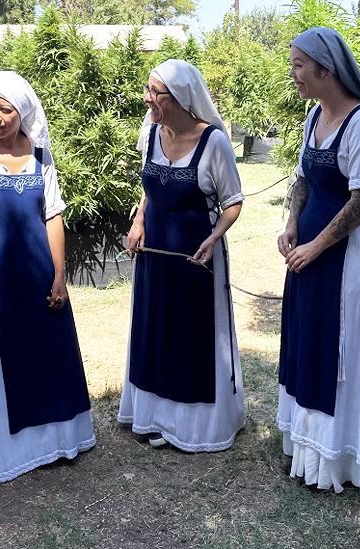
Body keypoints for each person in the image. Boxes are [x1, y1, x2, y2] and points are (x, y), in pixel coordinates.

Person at [0, 71, 95, 484]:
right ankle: (4, 455)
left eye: (5, 109)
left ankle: (53, 443)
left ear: (23, 113)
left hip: (39, 273)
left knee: (48, 358)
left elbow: (53, 214)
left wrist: (59, 274)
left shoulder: (39, 154)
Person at [277, 27, 360, 494]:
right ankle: (306, 442)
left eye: (297, 66)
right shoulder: (314, 117)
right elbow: (302, 181)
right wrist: (292, 225)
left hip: (345, 259)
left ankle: (342, 454)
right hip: (307, 252)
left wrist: (317, 246)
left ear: (325, 69)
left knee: (341, 349)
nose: (293, 74)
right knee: (308, 338)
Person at [118, 59, 246, 452]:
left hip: (196, 260)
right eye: (148, 89)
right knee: (154, 329)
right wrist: (139, 221)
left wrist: (214, 238)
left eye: (155, 93)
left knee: (190, 337)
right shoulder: (152, 133)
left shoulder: (214, 143)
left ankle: (191, 426)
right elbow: (150, 189)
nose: (147, 99)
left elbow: (233, 202)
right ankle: (152, 415)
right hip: (156, 257)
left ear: (180, 98)